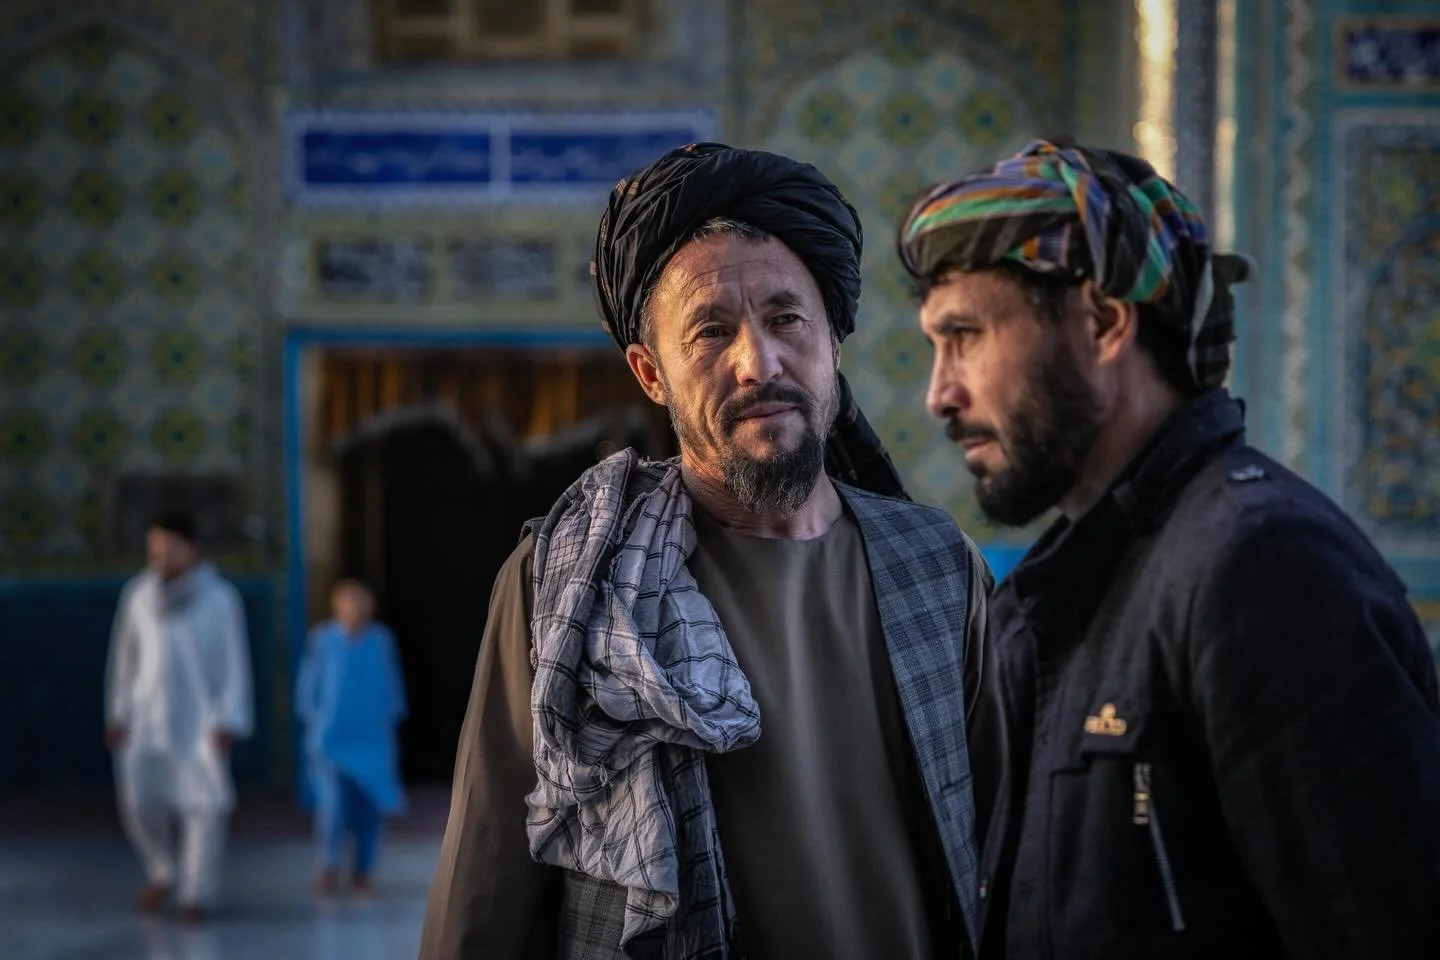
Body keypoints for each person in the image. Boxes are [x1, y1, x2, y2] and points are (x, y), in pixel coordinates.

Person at [420, 142, 992, 960]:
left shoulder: (937, 565)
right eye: (711, 332)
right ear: (651, 374)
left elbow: (1013, 852)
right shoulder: (564, 584)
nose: (757, 362)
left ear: (834, 337)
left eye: (787, 318)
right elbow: (485, 897)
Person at [897, 137, 1440, 959]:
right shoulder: (1064, 590)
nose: (940, 392)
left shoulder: (1261, 569)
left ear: (1104, 323)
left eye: (966, 334)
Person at [104, 512, 253, 922]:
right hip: (146, 719)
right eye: (156, 548)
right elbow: (124, 658)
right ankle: (162, 870)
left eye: (171, 546)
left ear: (192, 547)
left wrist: (228, 718)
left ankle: (196, 894)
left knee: (204, 809)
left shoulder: (220, 598)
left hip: (201, 721)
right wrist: (118, 713)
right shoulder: (137, 595)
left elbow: (233, 661)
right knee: (139, 804)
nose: (163, 555)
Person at [295, 578, 408, 897]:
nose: (355, 608)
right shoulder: (322, 639)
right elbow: (309, 686)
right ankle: (328, 864)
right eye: (348, 600)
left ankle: (363, 870)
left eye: (361, 601)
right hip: (331, 739)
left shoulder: (381, 639)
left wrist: (390, 721)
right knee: (331, 807)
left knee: (369, 809)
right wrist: (314, 723)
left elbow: (392, 687)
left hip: (372, 739)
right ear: (336, 605)